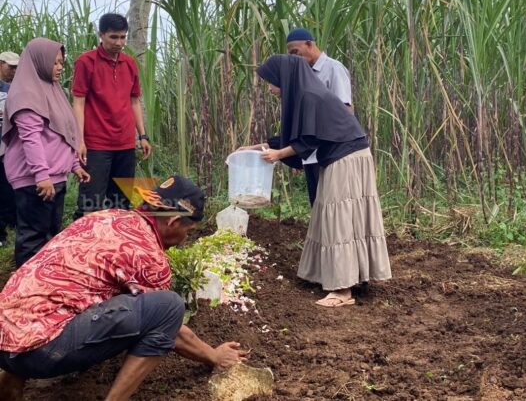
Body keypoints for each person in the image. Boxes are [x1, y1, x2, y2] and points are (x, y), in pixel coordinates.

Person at [0, 175, 249, 400]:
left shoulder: (105, 216)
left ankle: (10, 383)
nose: (185, 238)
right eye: (188, 230)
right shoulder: (150, 257)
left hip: (4, 338)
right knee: (169, 305)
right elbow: (171, 328)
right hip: (42, 351)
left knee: (62, 290)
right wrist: (213, 355)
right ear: (173, 221)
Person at [256, 54, 391, 307]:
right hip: (346, 156)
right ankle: (339, 276)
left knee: (338, 218)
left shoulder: (310, 96)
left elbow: (308, 141)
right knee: (333, 214)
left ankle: (342, 291)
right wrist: (257, 148)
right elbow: (297, 139)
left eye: (271, 81)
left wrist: (277, 155)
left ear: (284, 78)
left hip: (347, 158)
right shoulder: (307, 94)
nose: (269, 87)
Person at [0, 38, 90, 267]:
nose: (60, 67)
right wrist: (41, 175)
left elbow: (62, 134)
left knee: (50, 236)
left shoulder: (52, 90)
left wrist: (74, 166)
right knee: (32, 239)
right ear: (40, 62)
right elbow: (31, 139)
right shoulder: (26, 95)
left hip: (54, 178)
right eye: (56, 63)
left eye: (61, 62)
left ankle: (45, 286)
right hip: (36, 181)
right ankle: (25, 293)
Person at [240, 28, 354, 207]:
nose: (294, 58)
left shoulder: (332, 69)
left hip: (330, 154)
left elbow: (344, 112)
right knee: (318, 206)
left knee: (333, 207)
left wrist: (283, 152)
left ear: (310, 44)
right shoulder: (298, 76)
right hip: (310, 154)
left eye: (296, 52)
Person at [72, 13, 152, 218]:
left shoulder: (129, 63)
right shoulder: (86, 62)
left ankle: (116, 246)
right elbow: (78, 102)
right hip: (96, 144)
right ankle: (87, 245)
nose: (119, 43)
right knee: (91, 202)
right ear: (101, 35)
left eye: (123, 37)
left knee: (121, 203)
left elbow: (134, 101)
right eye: (114, 37)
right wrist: (79, 140)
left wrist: (142, 136)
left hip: (125, 143)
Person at [0, 50, 19, 247]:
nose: (14, 71)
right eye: (10, 66)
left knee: (9, 189)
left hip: (10, 150)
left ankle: (12, 226)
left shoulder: (15, 89)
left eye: (17, 68)